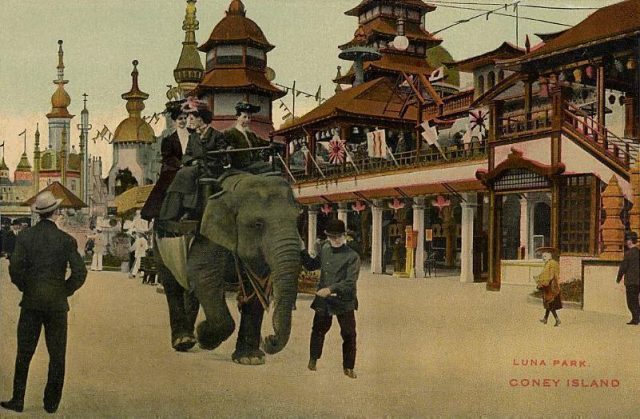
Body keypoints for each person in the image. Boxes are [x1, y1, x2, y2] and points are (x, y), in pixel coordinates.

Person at [1, 191, 87, 414]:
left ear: (38, 214)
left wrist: (25, 287)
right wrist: (64, 290)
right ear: (56, 212)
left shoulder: (25, 237)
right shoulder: (66, 240)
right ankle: (50, 403)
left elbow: (14, 267)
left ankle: (18, 400)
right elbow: (80, 272)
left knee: (24, 353)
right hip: (57, 305)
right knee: (57, 354)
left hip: (31, 303)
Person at [301, 219, 360, 379]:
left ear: (345, 236)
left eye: (339, 236)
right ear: (327, 237)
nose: (335, 240)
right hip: (324, 300)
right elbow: (312, 265)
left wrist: (330, 289)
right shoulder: (325, 249)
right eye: (332, 237)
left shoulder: (352, 256)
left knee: (349, 334)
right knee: (318, 330)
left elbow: (349, 282)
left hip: (344, 299)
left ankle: (348, 367)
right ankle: (313, 359)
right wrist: (301, 251)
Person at [159, 97, 228, 221]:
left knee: (186, 174)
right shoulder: (194, 136)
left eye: (191, 118)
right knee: (182, 174)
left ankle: (188, 211)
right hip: (196, 167)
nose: (188, 121)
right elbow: (187, 155)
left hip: (211, 168)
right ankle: (172, 212)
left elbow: (222, 156)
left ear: (200, 119)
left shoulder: (217, 135)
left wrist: (204, 162)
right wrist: (192, 161)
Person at [141, 102, 189, 222]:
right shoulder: (169, 140)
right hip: (175, 167)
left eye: (184, 118)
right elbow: (168, 157)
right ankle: (163, 211)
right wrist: (180, 165)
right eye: (180, 119)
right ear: (175, 121)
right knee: (168, 180)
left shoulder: (193, 135)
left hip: (190, 165)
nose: (183, 121)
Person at [223, 101, 273, 174]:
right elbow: (228, 152)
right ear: (237, 117)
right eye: (244, 117)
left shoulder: (251, 134)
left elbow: (264, 142)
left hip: (253, 164)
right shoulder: (230, 133)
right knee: (272, 167)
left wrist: (274, 145)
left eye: (249, 117)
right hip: (241, 167)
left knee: (275, 164)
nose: (247, 120)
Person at [534, 246, 562, 327]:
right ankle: (545, 319)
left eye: (545, 256)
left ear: (550, 256)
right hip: (548, 286)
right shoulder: (548, 263)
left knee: (550, 303)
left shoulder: (552, 263)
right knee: (548, 304)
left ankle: (557, 319)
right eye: (543, 256)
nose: (543, 258)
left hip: (551, 286)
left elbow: (551, 275)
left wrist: (544, 283)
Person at [616, 231, 640, 325]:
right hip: (638, 281)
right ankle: (637, 317)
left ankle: (635, 318)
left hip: (631, 281)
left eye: (627, 240)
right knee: (636, 300)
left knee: (631, 302)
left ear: (630, 241)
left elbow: (623, 267)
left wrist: (618, 278)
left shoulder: (628, 254)